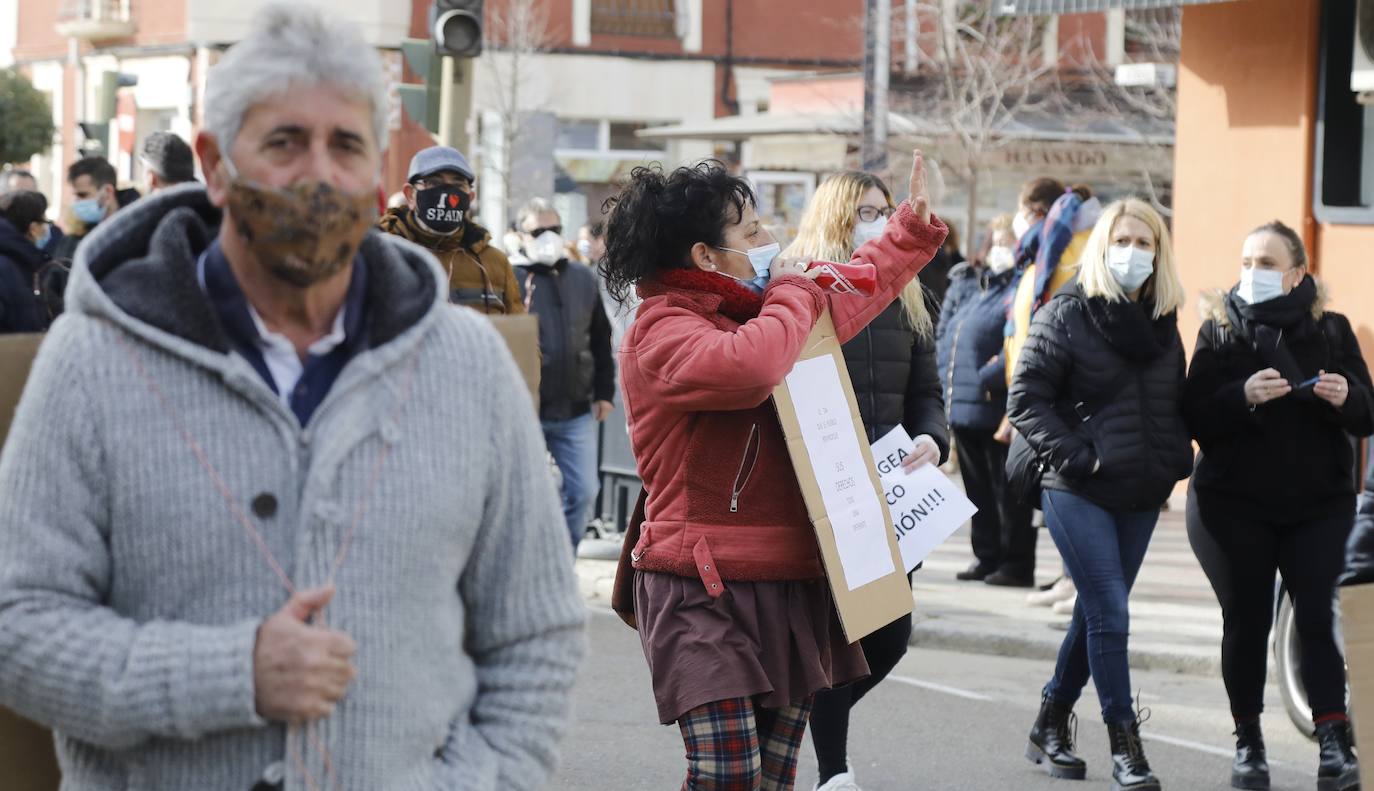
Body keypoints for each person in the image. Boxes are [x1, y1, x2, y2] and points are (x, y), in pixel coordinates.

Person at [0, 5, 585, 789]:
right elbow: (18, 624)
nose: (318, 174)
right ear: (214, 163)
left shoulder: (469, 368)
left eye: (344, 145)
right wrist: (230, 673)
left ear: (378, 173)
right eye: (284, 142)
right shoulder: (94, 360)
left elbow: (536, 632)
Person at [605, 151, 947, 790]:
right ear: (706, 256)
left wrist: (907, 233)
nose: (772, 242)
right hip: (698, 584)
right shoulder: (661, 327)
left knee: (773, 778)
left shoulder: (761, 308)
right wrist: (792, 290)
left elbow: (849, 291)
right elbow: (751, 367)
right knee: (726, 774)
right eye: (752, 232)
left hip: (790, 578)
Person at [1008, 199, 1192, 791]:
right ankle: (1125, 743)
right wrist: (1078, 456)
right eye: (1123, 241)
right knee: (1110, 610)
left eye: (1145, 243)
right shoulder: (1066, 312)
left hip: (1140, 492)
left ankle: (1050, 721)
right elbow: (1025, 401)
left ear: (1159, 254)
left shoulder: (1166, 324)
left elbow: (1174, 404)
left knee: (1096, 613)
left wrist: (1174, 458)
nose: (1133, 253)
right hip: (1075, 485)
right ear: (1101, 247)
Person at [1183, 220, 1370, 791]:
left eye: (1267, 262)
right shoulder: (1218, 331)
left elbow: (1367, 413)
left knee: (1316, 614)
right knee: (1247, 619)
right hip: (1232, 505)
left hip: (1318, 504)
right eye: (1247, 261)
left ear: (1297, 274)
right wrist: (1240, 396)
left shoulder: (1332, 330)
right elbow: (1195, 418)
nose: (1253, 273)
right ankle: (1249, 744)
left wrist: (1344, 397)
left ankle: (1334, 744)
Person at [781, 170, 948, 791]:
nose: (876, 224)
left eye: (883, 212)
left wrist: (934, 437)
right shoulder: (800, 289)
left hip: (895, 492)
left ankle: (798, 725)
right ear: (834, 217)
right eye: (864, 213)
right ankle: (833, 772)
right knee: (837, 633)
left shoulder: (907, 293)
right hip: (826, 488)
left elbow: (926, 391)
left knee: (891, 635)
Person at [939, 214, 1036, 587]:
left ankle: (1014, 561)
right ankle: (986, 555)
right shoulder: (975, 287)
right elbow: (946, 338)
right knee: (977, 490)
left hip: (997, 406)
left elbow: (1016, 344)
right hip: (963, 406)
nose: (999, 250)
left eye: (1006, 242)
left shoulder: (1018, 288)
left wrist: (985, 376)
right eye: (994, 241)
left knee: (1007, 491)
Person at [515, 197, 616, 548]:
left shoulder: (581, 277)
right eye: (538, 230)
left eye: (554, 229)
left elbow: (600, 336)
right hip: (525, 411)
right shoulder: (511, 278)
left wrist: (605, 391)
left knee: (584, 491)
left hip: (575, 408)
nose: (548, 237)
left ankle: (562, 559)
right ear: (520, 235)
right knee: (522, 498)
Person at [378, 145, 525, 314]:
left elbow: (518, 334)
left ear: (469, 198)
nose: (446, 193)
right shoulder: (380, 254)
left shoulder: (495, 263)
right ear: (410, 195)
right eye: (433, 183)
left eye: (457, 184)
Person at [49, 156, 122, 263]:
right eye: (75, 196)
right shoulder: (70, 242)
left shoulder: (136, 234)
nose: (76, 202)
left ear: (108, 192)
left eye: (82, 195)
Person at [0, 190, 51, 332]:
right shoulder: (6, 267)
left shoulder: (22, 262)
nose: (47, 230)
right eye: (46, 223)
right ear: (33, 228)